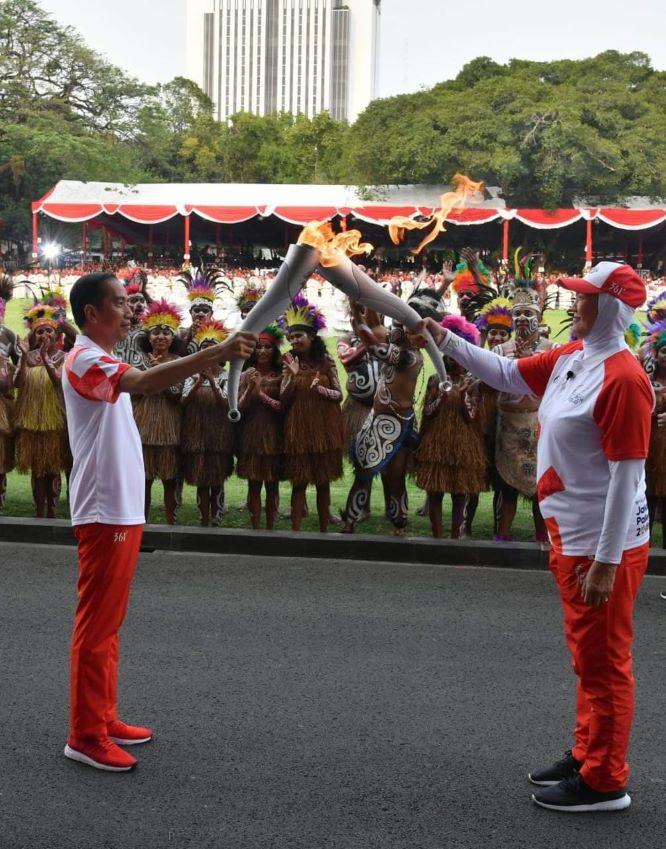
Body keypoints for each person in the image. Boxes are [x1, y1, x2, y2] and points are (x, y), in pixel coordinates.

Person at [413, 262, 652, 812]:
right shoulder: (574, 358)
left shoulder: (623, 379)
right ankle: (587, 752)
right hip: (573, 537)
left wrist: (607, 562)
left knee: (605, 662)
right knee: (587, 658)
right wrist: (442, 335)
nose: (573, 307)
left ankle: (605, 781)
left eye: (585, 300)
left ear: (611, 308)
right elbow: (505, 373)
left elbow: (626, 475)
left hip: (599, 546)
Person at [62, 271, 255, 772]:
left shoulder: (100, 356)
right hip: (104, 510)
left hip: (121, 507)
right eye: (121, 303)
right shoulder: (84, 358)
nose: (131, 311)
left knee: (110, 625)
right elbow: (145, 383)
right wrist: (216, 353)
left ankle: (102, 718)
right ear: (92, 314)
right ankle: (84, 735)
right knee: (96, 625)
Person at [341, 316, 423, 536]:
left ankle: (399, 525)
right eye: (393, 328)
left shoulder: (410, 357)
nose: (392, 333)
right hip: (376, 421)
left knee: (395, 479)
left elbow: (375, 348)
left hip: (397, 424)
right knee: (363, 473)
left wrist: (360, 325)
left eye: (397, 329)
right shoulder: (400, 352)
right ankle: (349, 521)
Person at [415, 316, 487, 538]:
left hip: (463, 446)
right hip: (437, 444)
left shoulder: (473, 383)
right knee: (435, 492)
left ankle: (456, 535)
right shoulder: (436, 379)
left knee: (459, 493)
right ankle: (437, 534)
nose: (455, 359)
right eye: (451, 355)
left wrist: (464, 392)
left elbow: (471, 416)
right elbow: (428, 411)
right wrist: (443, 398)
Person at [280, 294, 344, 533]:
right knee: (298, 483)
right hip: (298, 429)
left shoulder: (326, 362)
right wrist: (294, 375)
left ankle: (323, 531)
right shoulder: (288, 361)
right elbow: (283, 399)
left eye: (299, 335)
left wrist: (320, 389)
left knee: (323, 482)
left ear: (312, 336)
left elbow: (338, 395)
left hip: (324, 429)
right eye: (292, 336)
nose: (295, 340)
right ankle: (296, 531)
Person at [493, 279, 549, 543]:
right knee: (507, 486)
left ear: (539, 316)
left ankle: (542, 536)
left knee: (541, 488)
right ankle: (503, 535)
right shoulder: (500, 350)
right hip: (509, 427)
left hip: (539, 427)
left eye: (529, 314)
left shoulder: (551, 350)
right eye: (518, 314)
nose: (523, 319)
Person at [14, 302, 68, 518]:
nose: (44, 334)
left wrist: (45, 357)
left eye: (48, 330)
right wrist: (24, 358)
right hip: (31, 421)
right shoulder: (28, 356)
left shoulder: (64, 357)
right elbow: (18, 383)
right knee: (37, 468)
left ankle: (52, 513)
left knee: (53, 466)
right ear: (33, 335)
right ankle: (39, 512)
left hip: (54, 421)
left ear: (56, 335)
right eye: (39, 331)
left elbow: (58, 382)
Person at [133, 300, 183, 525]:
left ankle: (171, 523)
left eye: (166, 333)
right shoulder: (137, 361)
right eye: (156, 332)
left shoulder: (179, 362)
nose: (161, 337)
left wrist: (157, 373)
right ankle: (140, 522)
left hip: (169, 426)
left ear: (173, 338)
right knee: (143, 479)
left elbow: (176, 395)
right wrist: (148, 372)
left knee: (169, 478)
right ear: (148, 337)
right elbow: (133, 395)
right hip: (142, 425)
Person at [181, 318, 235, 527]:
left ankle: (216, 515)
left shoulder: (227, 376)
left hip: (219, 432)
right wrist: (198, 384)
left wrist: (212, 383)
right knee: (201, 475)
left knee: (217, 475)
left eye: (213, 349)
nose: (208, 353)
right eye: (204, 348)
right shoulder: (191, 375)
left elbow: (227, 404)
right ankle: (203, 516)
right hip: (196, 432)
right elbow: (183, 402)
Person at [236, 324, 285, 530]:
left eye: (268, 347)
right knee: (254, 483)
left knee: (272, 484)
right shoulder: (245, 374)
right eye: (258, 347)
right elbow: (238, 407)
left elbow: (283, 406)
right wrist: (250, 389)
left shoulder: (281, 374)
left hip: (274, 434)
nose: (262, 351)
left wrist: (261, 393)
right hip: (251, 434)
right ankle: (255, 526)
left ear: (274, 351)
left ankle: (271, 527)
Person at [644, 318, 666, 546]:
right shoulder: (647, 380)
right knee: (647, 498)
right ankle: (643, 546)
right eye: (664, 351)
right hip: (649, 447)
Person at [113, 270, 151, 367]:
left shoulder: (149, 328)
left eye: (142, 301)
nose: (139, 305)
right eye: (133, 301)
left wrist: (144, 291)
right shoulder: (114, 326)